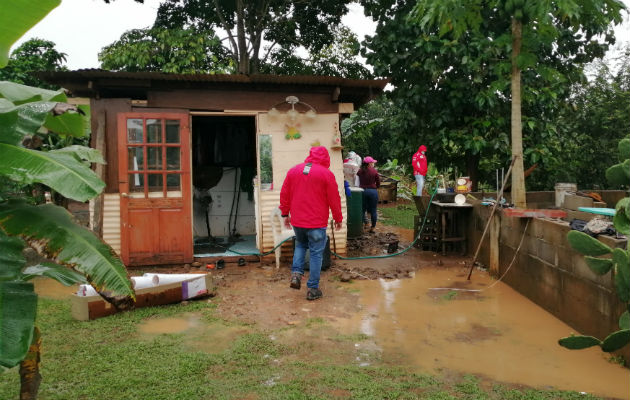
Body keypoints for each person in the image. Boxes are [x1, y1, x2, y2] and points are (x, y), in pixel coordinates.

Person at [279, 146, 343, 301]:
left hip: (298, 222)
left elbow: (285, 193)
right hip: (316, 223)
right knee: (315, 254)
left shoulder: (294, 171)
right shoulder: (326, 174)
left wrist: (284, 214)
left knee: (301, 245)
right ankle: (312, 289)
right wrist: (338, 218)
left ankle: (296, 274)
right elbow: (334, 199)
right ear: (326, 158)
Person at [356, 156, 380, 233]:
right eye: (373, 163)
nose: (373, 164)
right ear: (369, 163)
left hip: (362, 191)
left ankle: (363, 226)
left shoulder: (360, 171)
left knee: (362, 210)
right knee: (373, 210)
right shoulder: (374, 171)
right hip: (372, 191)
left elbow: (357, 179)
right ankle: (373, 228)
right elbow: (378, 182)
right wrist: (377, 187)